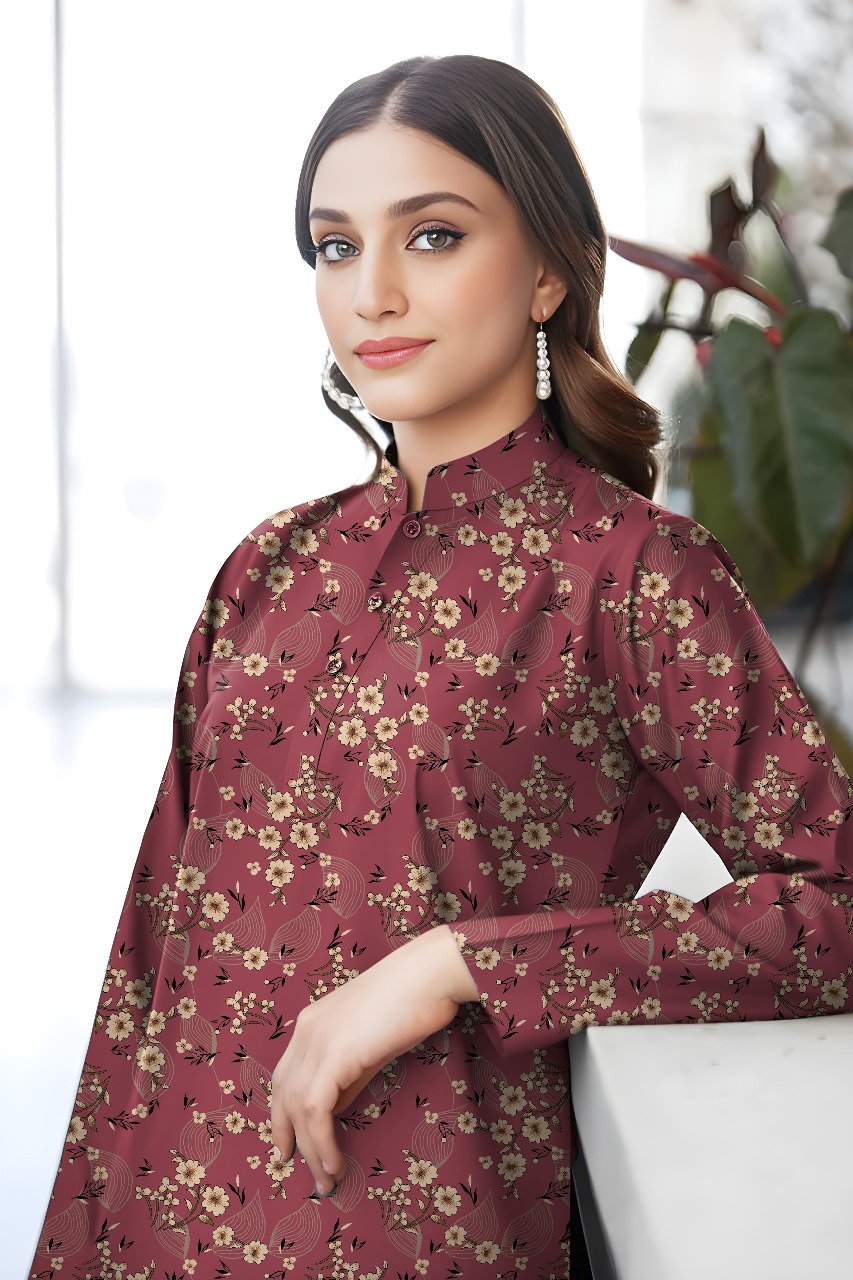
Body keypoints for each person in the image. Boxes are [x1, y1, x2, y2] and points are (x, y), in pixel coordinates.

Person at [30, 54, 852, 1280]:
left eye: (431, 234)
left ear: (548, 270)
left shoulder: (630, 573)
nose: (372, 292)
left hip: (417, 1236)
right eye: (334, 246)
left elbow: (833, 905)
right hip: (166, 1233)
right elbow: (148, 966)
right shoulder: (267, 569)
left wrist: (463, 961)